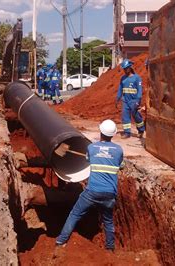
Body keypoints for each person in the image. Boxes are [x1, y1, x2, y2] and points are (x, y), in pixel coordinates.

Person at [56, 119, 123, 251]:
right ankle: (110, 248)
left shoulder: (92, 148)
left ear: (100, 132)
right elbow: (121, 164)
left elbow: (87, 159)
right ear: (113, 134)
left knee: (74, 214)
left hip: (92, 192)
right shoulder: (118, 150)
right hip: (109, 193)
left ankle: (60, 241)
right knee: (108, 221)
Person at [116, 59, 145, 139]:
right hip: (125, 100)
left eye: (126, 68)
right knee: (125, 116)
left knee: (136, 116)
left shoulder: (137, 78)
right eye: (124, 69)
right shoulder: (123, 78)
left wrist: (138, 101)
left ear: (130, 68)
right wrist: (117, 98)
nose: (125, 70)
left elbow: (139, 90)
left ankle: (141, 130)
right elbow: (120, 89)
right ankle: (127, 132)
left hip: (134, 101)